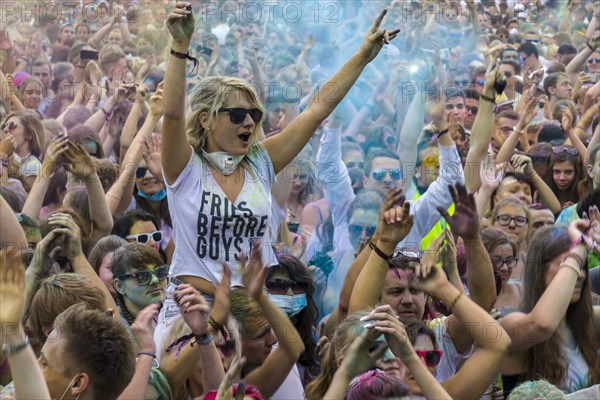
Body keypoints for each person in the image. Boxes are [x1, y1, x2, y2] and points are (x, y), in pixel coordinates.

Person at [160, 4, 399, 295]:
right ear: (205, 119)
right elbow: (172, 115)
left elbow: (316, 110)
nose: (248, 122)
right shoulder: (185, 168)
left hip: (259, 310)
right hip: (194, 311)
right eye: (236, 114)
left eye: (254, 115)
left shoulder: (260, 161)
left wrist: (362, 58)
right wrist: (180, 46)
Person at [500, 224, 600, 395]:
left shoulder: (590, 320)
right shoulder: (511, 324)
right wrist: (577, 252)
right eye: (565, 263)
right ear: (539, 270)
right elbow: (543, 324)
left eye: (582, 265)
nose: (580, 273)